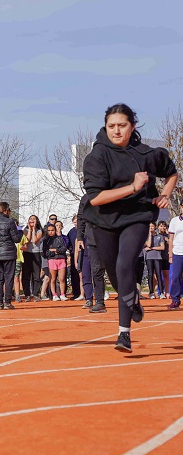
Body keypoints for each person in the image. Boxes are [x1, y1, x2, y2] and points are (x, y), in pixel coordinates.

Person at [81, 103, 178, 352]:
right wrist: (132, 187)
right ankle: (132, 299)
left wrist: (165, 194)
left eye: (122, 125)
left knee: (125, 265)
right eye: (111, 126)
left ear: (132, 126)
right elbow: (96, 198)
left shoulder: (145, 154)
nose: (116, 131)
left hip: (136, 216)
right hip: (103, 219)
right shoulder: (97, 156)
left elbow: (172, 173)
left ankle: (123, 333)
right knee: (115, 274)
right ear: (105, 127)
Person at [0, 202, 23, 310]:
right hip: (8, 253)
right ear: (6, 210)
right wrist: (21, 232)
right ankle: (7, 302)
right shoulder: (9, 221)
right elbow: (16, 239)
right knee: (8, 277)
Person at [20, 215, 43, 301]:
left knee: (36, 275)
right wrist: (29, 229)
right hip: (27, 253)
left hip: (36, 253)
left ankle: (35, 294)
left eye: (34, 219)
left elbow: (34, 240)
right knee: (26, 275)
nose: (32, 220)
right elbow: (28, 239)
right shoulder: (24, 230)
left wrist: (34, 229)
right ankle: (27, 294)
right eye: (30, 219)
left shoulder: (40, 231)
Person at [166, 213, 183, 310]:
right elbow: (171, 239)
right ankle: (175, 300)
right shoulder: (174, 220)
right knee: (176, 276)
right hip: (177, 252)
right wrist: (170, 254)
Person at [144, 222, 164, 299]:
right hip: (149, 257)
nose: (151, 228)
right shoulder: (145, 236)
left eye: (152, 226)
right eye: (149, 227)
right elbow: (148, 245)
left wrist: (152, 248)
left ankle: (161, 292)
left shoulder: (160, 236)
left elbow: (162, 247)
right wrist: (149, 234)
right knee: (150, 275)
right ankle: (151, 292)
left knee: (159, 274)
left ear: (155, 227)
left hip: (157, 257)